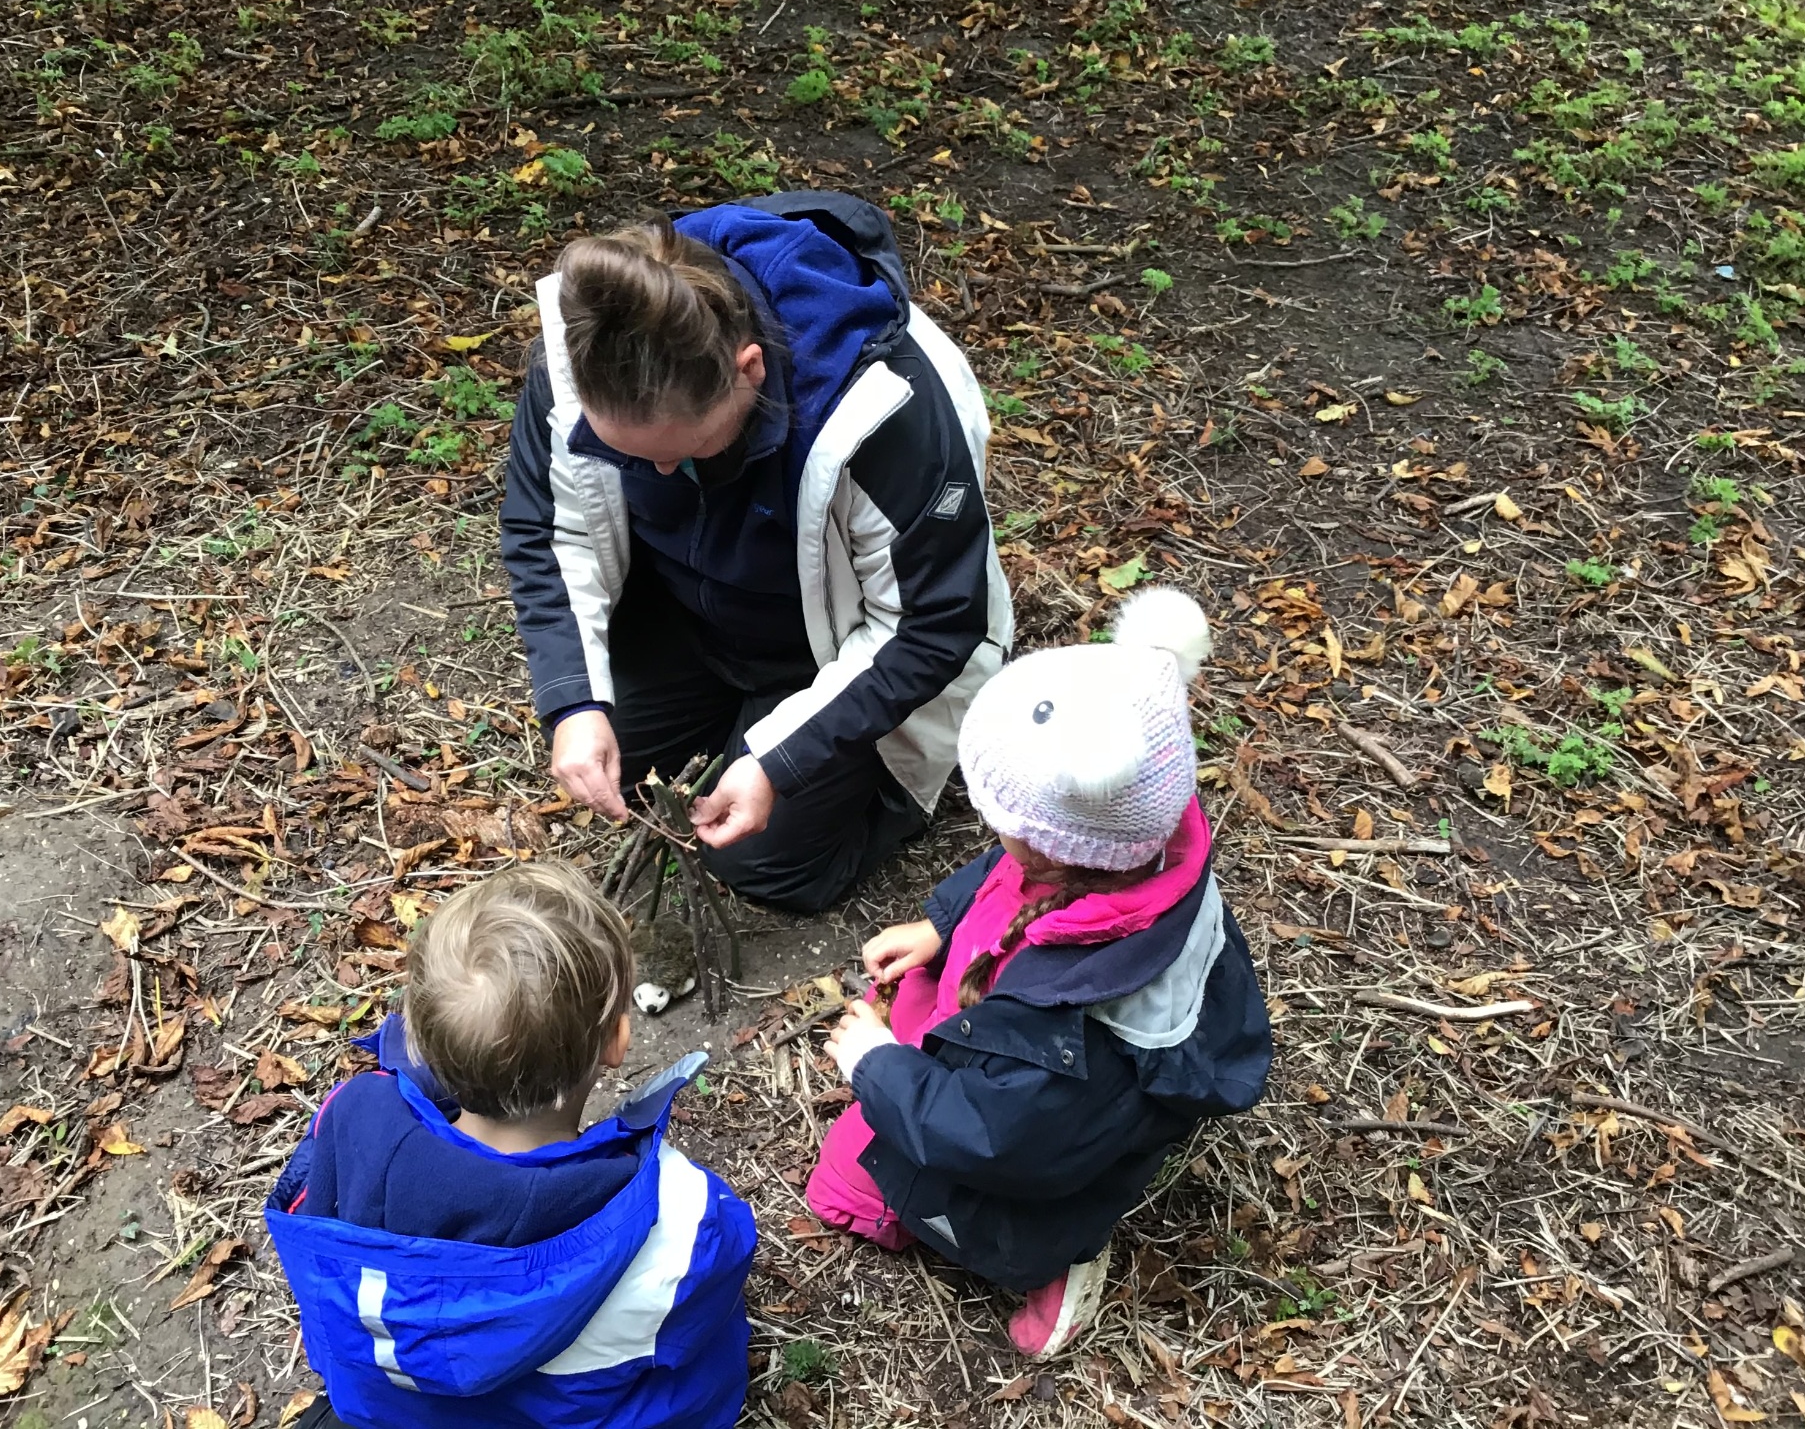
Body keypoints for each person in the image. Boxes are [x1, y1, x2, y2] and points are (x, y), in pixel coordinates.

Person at [501, 192, 1012, 913]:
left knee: (761, 862)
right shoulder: (588, 356)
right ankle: (733, 717)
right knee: (618, 752)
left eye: (687, 453)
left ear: (750, 369)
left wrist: (781, 757)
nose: (663, 476)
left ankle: (877, 798)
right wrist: (574, 703)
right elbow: (548, 531)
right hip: (688, 619)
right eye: (633, 460)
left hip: (832, 646)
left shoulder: (880, 405)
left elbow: (933, 622)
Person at [802, 589, 1273, 1358]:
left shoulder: (1075, 1019)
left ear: (1053, 849)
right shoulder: (1136, 844)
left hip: (1043, 1129)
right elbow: (1001, 877)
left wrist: (875, 1065)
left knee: (848, 1193)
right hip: (1015, 1047)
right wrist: (940, 926)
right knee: (857, 1171)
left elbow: (998, 1139)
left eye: (1003, 823)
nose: (994, 831)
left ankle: (1058, 1256)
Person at [265, 864, 757, 1429]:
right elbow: (722, 1273)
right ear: (617, 1042)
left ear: (421, 1042)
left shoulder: (348, 1132)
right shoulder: (676, 1215)